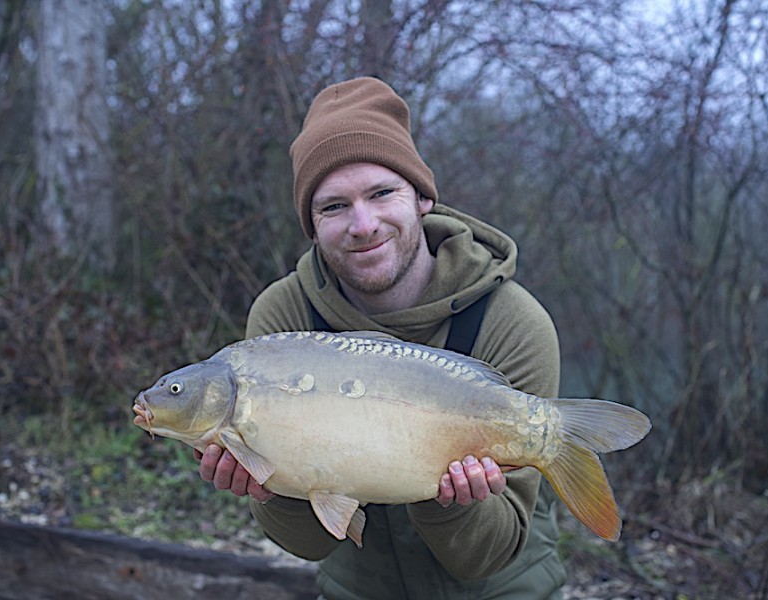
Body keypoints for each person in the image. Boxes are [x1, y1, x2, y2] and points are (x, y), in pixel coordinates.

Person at [195, 77, 566, 598]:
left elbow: (490, 555)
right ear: (311, 224)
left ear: (422, 198)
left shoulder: (512, 322)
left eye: (381, 193)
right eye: (333, 206)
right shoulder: (282, 318)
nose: (363, 224)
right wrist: (272, 488)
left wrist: (451, 501)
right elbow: (306, 544)